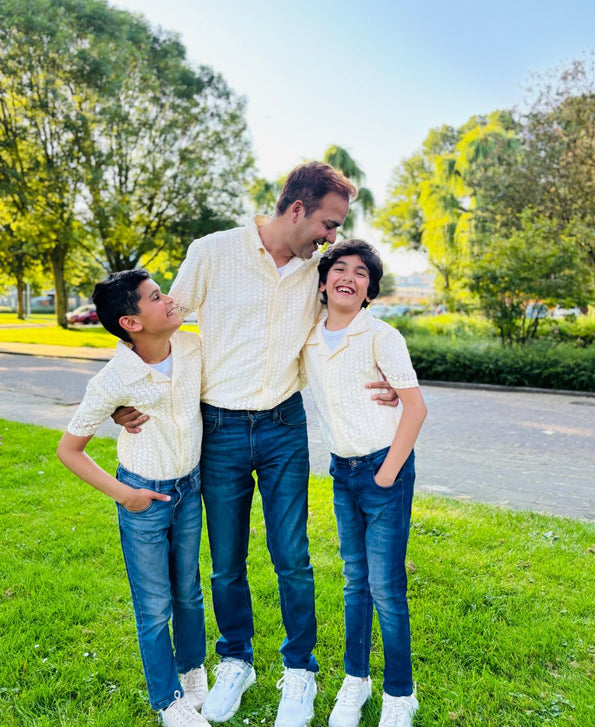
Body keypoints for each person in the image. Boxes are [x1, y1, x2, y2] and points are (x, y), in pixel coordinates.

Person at [113, 162, 398, 727]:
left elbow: (349, 322)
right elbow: (156, 321)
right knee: (225, 563)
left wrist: (391, 383)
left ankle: (300, 671)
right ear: (297, 209)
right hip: (218, 428)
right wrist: (127, 391)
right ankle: (236, 661)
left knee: (292, 556)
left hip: (283, 429)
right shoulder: (213, 252)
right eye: (329, 222)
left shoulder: (318, 272)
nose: (333, 236)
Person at [57, 270, 210, 727]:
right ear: (132, 323)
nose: (170, 302)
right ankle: (167, 702)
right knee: (154, 605)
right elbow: (69, 450)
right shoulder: (113, 379)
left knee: (189, 591)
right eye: (156, 297)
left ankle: (193, 669)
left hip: (190, 486)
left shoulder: (192, 347)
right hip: (145, 494)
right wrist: (126, 495)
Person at [300, 240, 427, 727]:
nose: (348, 277)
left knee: (387, 586)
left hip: (383, 470)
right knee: (356, 581)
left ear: (370, 289)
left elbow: (415, 407)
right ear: (324, 280)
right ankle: (356, 680)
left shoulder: (381, 336)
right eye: (339, 268)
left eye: (360, 272)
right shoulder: (309, 340)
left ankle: (400, 691)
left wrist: (388, 474)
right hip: (341, 473)